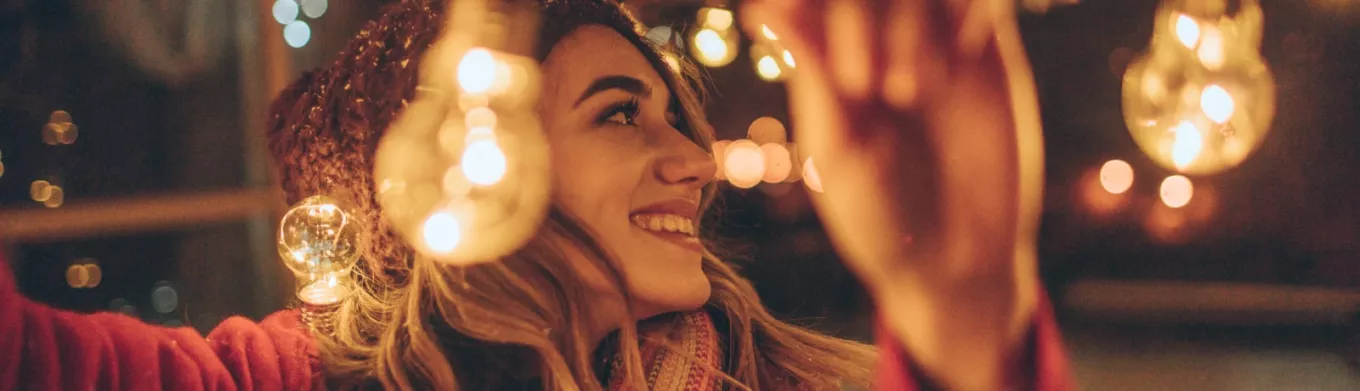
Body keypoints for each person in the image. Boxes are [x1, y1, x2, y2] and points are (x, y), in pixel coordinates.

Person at [0, 0, 1072, 390]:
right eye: (620, 113)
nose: (695, 162)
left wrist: (967, 308)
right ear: (468, 155)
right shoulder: (277, 382)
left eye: (675, 115)